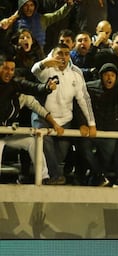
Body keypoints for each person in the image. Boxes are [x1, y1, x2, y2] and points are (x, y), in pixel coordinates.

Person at [31, 42, 96, 185]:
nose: (63, 57)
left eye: (66, 54)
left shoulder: (76, 73)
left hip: (65, 120)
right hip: (43, 117)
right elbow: (34, 70)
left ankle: (49, 177)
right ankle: (53, 176)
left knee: (60, 153)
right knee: (45, 144)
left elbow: (84, 99)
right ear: (53, 55)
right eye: (59, 53)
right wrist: (44, 63)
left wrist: (91, 123)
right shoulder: (46, 69)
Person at [0, 54, 63, 183]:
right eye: (5, 68)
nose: (8, 73)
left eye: (12, 70)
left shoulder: (17, 88)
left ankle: (43, 178)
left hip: (6, 135)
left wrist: (46, 87)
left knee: (32, 141)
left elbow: (35, 91)